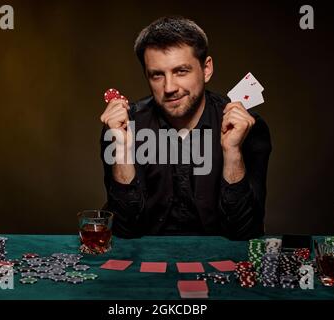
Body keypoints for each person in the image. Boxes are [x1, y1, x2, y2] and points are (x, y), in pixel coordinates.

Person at [99, 16, 271, 240]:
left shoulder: (249, 128)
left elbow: (245, 233)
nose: (169, 87)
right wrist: (121, 149)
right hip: (147, 263)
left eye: (181, 71)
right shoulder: (122, 127)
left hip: (218, 264)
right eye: (157, 75)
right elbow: (124, 232)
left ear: (206, 69)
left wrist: (232, 152)